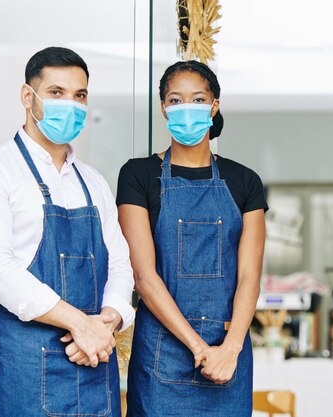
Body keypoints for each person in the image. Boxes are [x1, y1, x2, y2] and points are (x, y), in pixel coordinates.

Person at [0, 47, 135, 417]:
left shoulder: (94, 182)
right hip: (24, 365)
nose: (70, 104)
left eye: (79, 95)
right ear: (27, 96)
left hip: (93, 363)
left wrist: (107, 322)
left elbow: (120, 265)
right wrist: (80, 325)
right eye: (56, 92)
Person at [118, 60, 267, 416]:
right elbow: (144, 276)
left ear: (214, 105)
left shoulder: (244, 181)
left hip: (228, 355)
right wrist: (200, 348)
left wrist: (229, 349)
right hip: (162, 356)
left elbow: (250, 276)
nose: (187, 108)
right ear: (164, 108)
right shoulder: (138, 175)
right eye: (176, 99)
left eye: (198, 99)